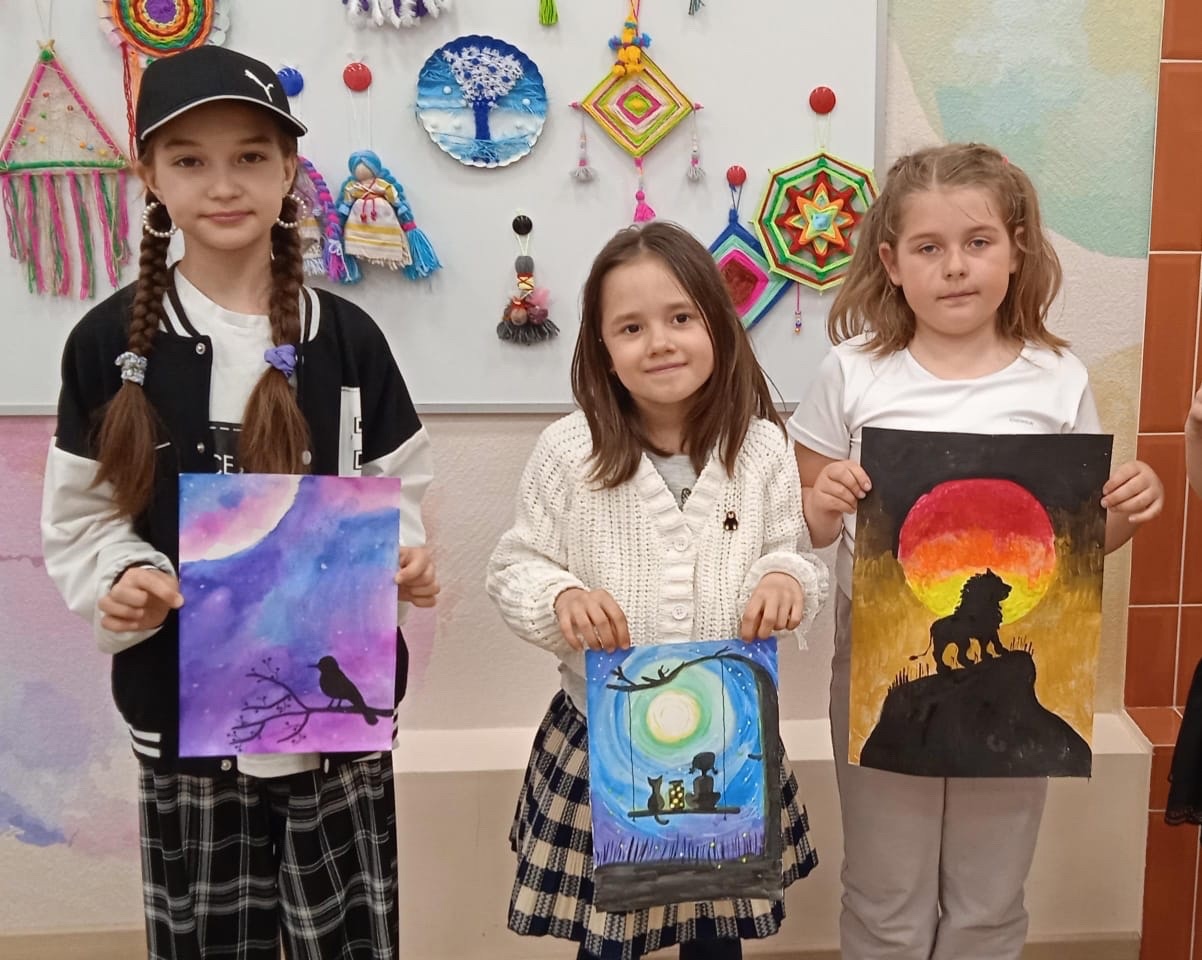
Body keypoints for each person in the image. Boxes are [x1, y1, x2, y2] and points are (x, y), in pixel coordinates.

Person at [40, 45, 437, 959]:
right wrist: (123, 576)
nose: (224, 185)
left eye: (252, 156)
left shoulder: (349, 339)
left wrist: (397, 556)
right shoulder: (106, 343)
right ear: (150, 175)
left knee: (346, 938)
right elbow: (82, 517)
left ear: (290, 170)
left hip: (332, 726)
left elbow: (399, 488)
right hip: (180, 719)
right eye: (190, 159)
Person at [789, 142, 1164, 960]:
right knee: (885, 889)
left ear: (1016, 248)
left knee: (990, 894)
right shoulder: (852, 371)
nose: (955, 266)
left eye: (978, 241)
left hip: (1025, 654)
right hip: (878, 655)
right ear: (891, 263)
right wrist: (822, 500)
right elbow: (804, 524)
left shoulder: (1056, 376)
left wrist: (1130, 509)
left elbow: (1079, 550)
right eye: (929, 247)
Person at [486, 221, 828, 960]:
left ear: (718, 326)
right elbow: (515, 566)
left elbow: (791, 554)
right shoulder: (568, 451)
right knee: (610, 938)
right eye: (631, 327)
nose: (660, 342)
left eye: (680, 318)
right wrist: (559, 598)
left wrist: (784, 578)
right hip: (604, 739)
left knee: (715, 931)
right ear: (602, 349)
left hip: (728, 745)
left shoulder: (762, 447)